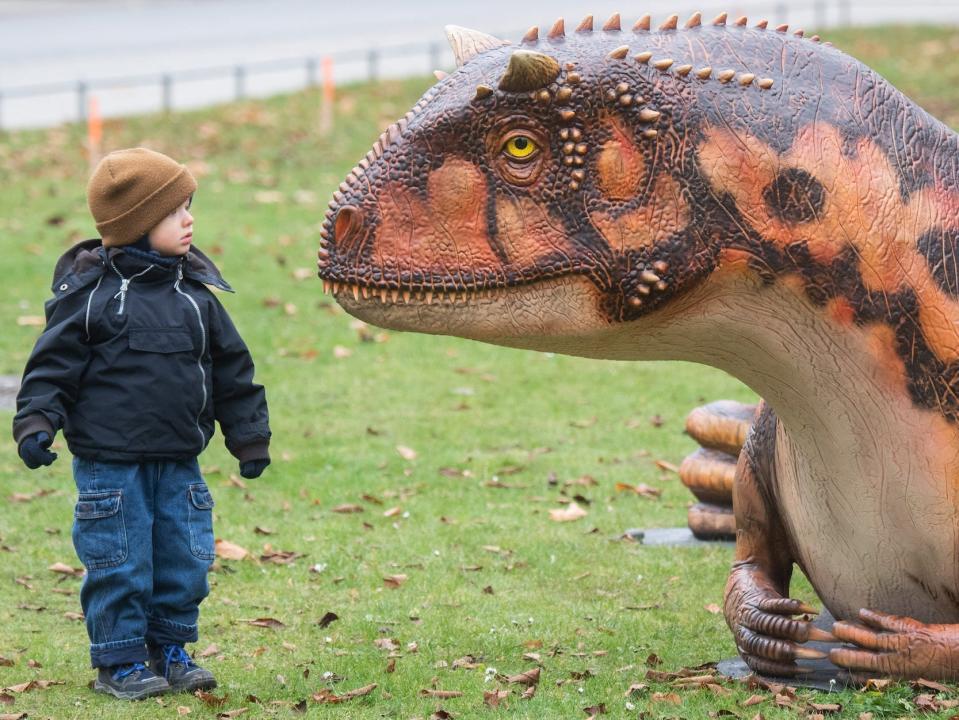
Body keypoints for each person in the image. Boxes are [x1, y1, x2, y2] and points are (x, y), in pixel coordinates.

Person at [12, 147, 271, 700]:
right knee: (120, 562)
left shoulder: (196, 299)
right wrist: (37, 421)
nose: (189, 220)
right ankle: (120, 660)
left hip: (179, 459)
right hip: (110, 467)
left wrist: (248, 435)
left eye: (189, 208)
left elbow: (233, 371)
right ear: (135, 225)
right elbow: (51, 369)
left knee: (186, 559)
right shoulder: (90, 299)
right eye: (175, 212)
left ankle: (171, 649)